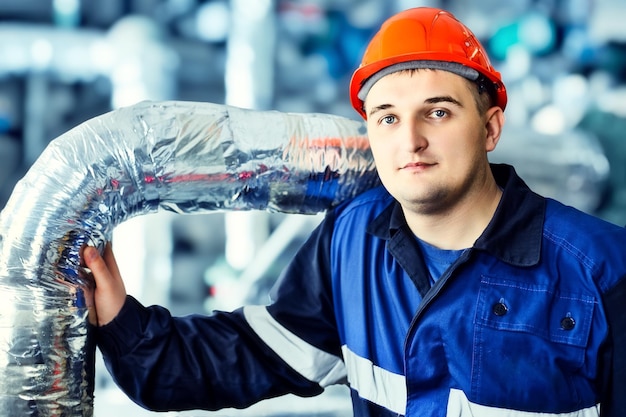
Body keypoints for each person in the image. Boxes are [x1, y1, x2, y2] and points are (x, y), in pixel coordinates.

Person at [83, 7, 626, 417]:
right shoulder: (352, 241)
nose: (410, 140)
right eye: (387, 118)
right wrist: (121, 321)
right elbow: (248, 357)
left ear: (490, 128)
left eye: (437, 112)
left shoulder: (602, 271)